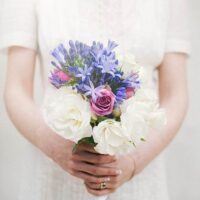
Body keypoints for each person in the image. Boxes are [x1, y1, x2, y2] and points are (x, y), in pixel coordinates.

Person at [0, 0, 190, 199]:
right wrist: (55, 148)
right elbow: (16, 89)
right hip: (54, 169)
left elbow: (175, 96)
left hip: (140, 172)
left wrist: (133, 163)